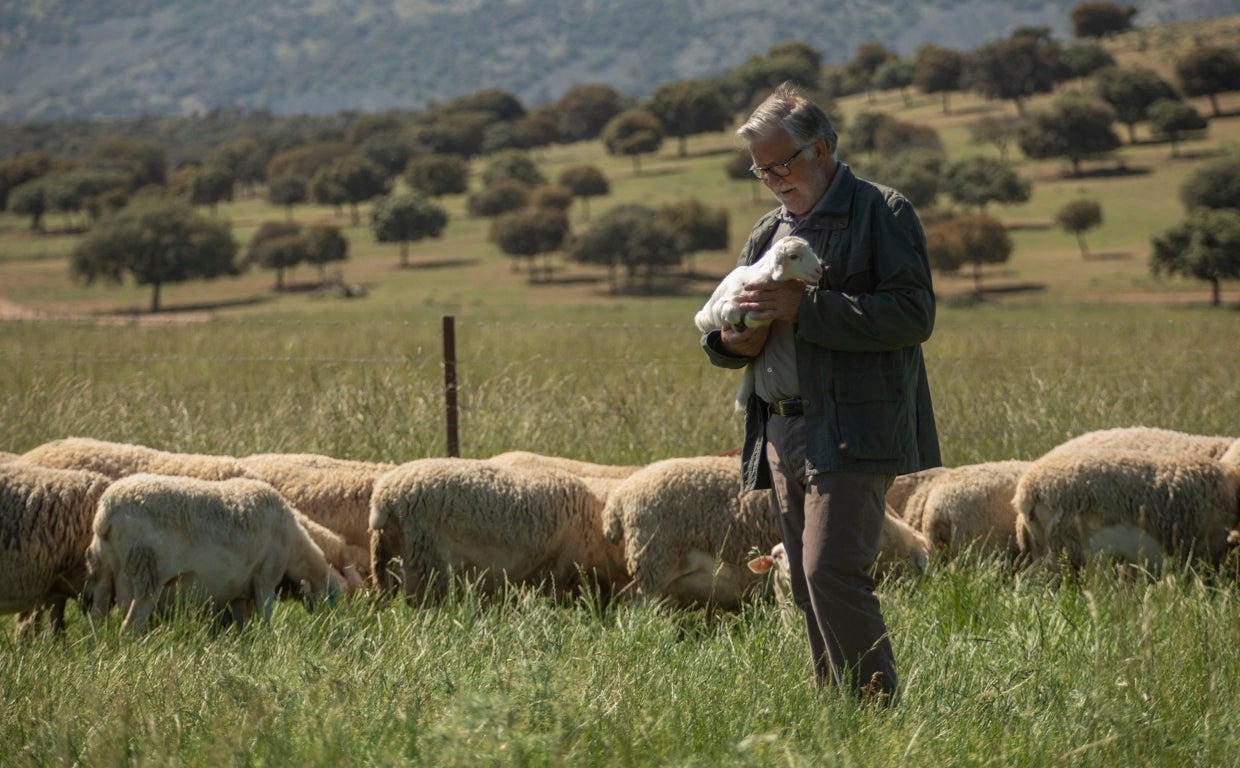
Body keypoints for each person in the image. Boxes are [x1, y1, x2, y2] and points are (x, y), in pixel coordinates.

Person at [700, 82, 941, 702]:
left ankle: (875, 709)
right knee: (806, 581)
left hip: (855, 425)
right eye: (760, 171)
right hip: (781, 426)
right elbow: (727, 330)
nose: (772, 180)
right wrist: (734, 341)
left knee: (830, 568)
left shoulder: (881, 212)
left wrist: (806, 309)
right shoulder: (768, 231)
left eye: (781, 165)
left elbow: (913, 314)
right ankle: (836, 708)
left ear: (821, 150)